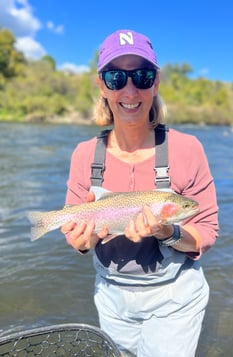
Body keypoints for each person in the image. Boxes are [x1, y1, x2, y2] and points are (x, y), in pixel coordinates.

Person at [61, 29, 219, 357]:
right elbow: (77, 242)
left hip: (176, 301)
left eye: (142, 76)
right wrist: (86, 238)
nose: (129, 90)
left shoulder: (188, 149)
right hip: (111, 300)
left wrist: (168, 231)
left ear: (156, 83)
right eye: (117, 77)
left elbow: (206, 232)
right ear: (102, 85)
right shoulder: (83, 155)